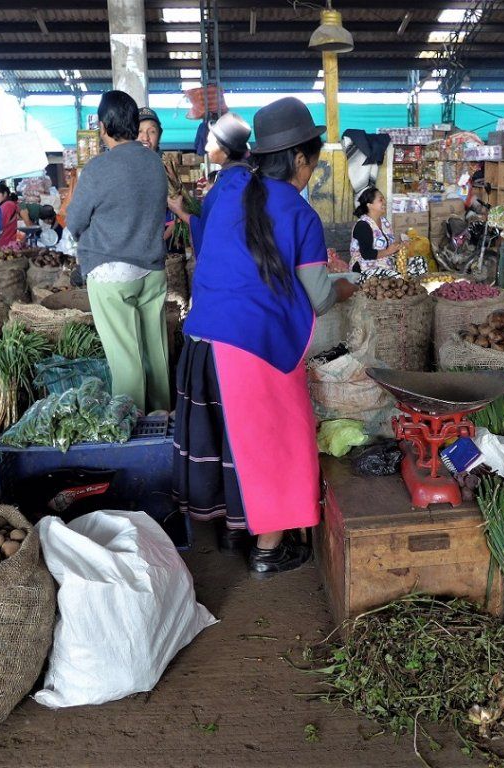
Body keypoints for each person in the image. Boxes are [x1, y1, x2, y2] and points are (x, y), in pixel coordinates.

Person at [174, 97, 358, 576]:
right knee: (277, 442)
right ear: (299, 159)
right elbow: (320, 297)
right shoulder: (300, 213)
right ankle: (268, 550)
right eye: (313, 162)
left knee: (230, 443)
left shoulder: (231, 189)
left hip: (200, 341)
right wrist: (347, 286)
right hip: (251, 348)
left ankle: (236, 531)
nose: (312, 172)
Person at [66, 90, 170, 413]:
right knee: (155, 351)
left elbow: (74, 221)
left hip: (112, 273)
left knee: (126, 356)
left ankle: (132, 423)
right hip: (152, 269)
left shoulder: (98, 169)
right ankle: (163, 418)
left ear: (103, 126)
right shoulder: (155, 163)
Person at [168, 112, 251, 256]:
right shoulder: (235, 176)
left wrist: (180, 211)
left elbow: (210, 229)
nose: (206, 148)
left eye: (210, 142)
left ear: (224, 149)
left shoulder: (233, 184)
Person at [349, 186, 400, 273]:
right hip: (365, 267)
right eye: (380, 200)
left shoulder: (384, 222)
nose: (384, 202)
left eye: (384, 199)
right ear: (369, 205)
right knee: (396, 277)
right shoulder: (363, 225)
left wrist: (399, 246)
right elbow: (367, 254)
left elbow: (390, 245)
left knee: (418, 262)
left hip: (385, 263)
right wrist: (388, 251)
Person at [0, 182, 20, 248]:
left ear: (5, 194)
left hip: (7, 243)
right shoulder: (8, 204)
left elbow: (0, 224)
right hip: (9, 241)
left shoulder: (7, 205)